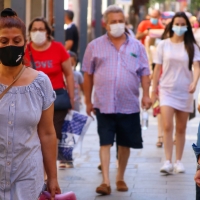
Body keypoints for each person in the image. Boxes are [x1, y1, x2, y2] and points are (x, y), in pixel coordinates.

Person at [82, 5, 152, 195]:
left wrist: (146, 95)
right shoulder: (94, 46)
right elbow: (87, 75)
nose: (118, 25)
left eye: (120, 21)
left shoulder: (137, 46)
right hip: (103, 104)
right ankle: (105, 181)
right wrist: (87, 101)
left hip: (129, 104)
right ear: (106, 24)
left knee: (125, 143)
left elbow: (145, 72)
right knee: (105, 142)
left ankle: (120, 176)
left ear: (125, 22)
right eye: (113, 21)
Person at [0, 8, 60, 199]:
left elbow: (48, 133)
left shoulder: (40, 83)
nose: (10, 45)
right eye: (3, 41)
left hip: (28, 175)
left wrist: (52, 177)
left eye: (16, 41)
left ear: (25, 44)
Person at [152, 12, 200, 174]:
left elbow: (197, 66)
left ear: (187, 26)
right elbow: (157, 68)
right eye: (177, 24)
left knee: (181, 128)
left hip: (185, 91)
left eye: (182, 24)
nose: (179, 27)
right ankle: (167, 161)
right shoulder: (163, 45)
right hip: (166, 90)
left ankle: (178, 161)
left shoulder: (192, 46)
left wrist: (194, 82)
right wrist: (153, 90)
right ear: (172, 25)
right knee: (167, 125)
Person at [24, 17, 74, 169]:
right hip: (31, 100)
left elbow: (69, 74)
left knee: (52, 136)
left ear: (47, 31)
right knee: (35, 137)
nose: (38, 32)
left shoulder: (58, 48)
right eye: (34, 29)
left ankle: (47, 174)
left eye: (41, 29)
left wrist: (72, 98)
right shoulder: (25, 50)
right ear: (29, 32)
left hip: (56, 99)